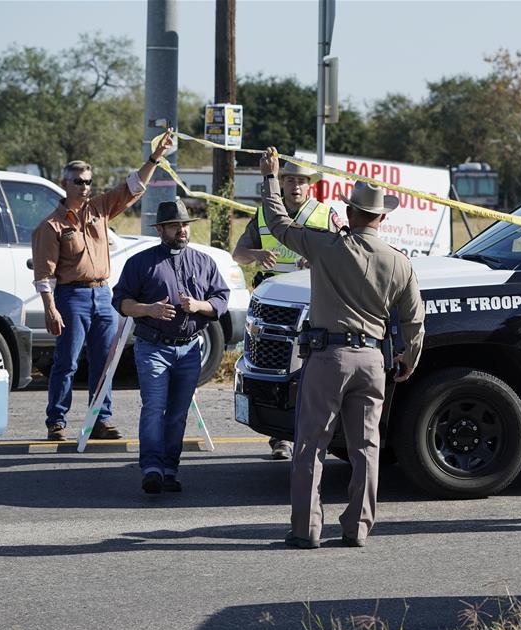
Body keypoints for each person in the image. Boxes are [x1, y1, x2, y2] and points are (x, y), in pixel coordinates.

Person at [259, 147, 425, 549]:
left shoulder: (326, 247)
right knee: (366, 447)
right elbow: (415, 320)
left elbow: (279, 224)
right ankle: (357, 528)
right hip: (372, 360)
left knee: (310, 445)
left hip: (328, 357)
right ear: (382, 218)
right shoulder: (400, 262)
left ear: (349, 213)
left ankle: (306, 529)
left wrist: (269, 178)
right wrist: (409, 359)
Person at [32, 129, 175, 441]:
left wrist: (155, 157)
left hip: (103, 293)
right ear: (64, 183)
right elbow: (45, 274)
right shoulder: (51, 226)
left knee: (105, 362)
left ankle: (100, 419)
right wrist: (50, 308)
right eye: (78, 181)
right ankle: (56, 420)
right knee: (67, 362)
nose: (85, 187)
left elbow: (132, 187)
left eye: (88, 182)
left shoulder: (99, 209)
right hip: (71, 296)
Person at [112, 199, 230, 494]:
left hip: (190, 349)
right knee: (154, 408)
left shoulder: (204, 262)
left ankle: (169, 469)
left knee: (178, 413)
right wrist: (147, 309)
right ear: (160, 229)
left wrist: (199, 305)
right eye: (175, 225)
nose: (182, 230)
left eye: (185, 225)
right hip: (153, 348)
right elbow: (121, 302)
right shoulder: (140, 262)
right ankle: (151, 469)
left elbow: (221, 301)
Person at [232, 159, 344, 461]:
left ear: (311, 185)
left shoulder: (325, 215)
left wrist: (320, 259)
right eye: (290, 180)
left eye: (301, 181)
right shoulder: (263, 214)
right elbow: (238, 255)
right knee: (280, 376)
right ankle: (281, 438)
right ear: (281, 183)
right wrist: (255, 254)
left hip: (315, 303)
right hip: (275, 310)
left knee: (316, 374)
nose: (296, 186)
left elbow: (346, 253)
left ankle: (319, 437)